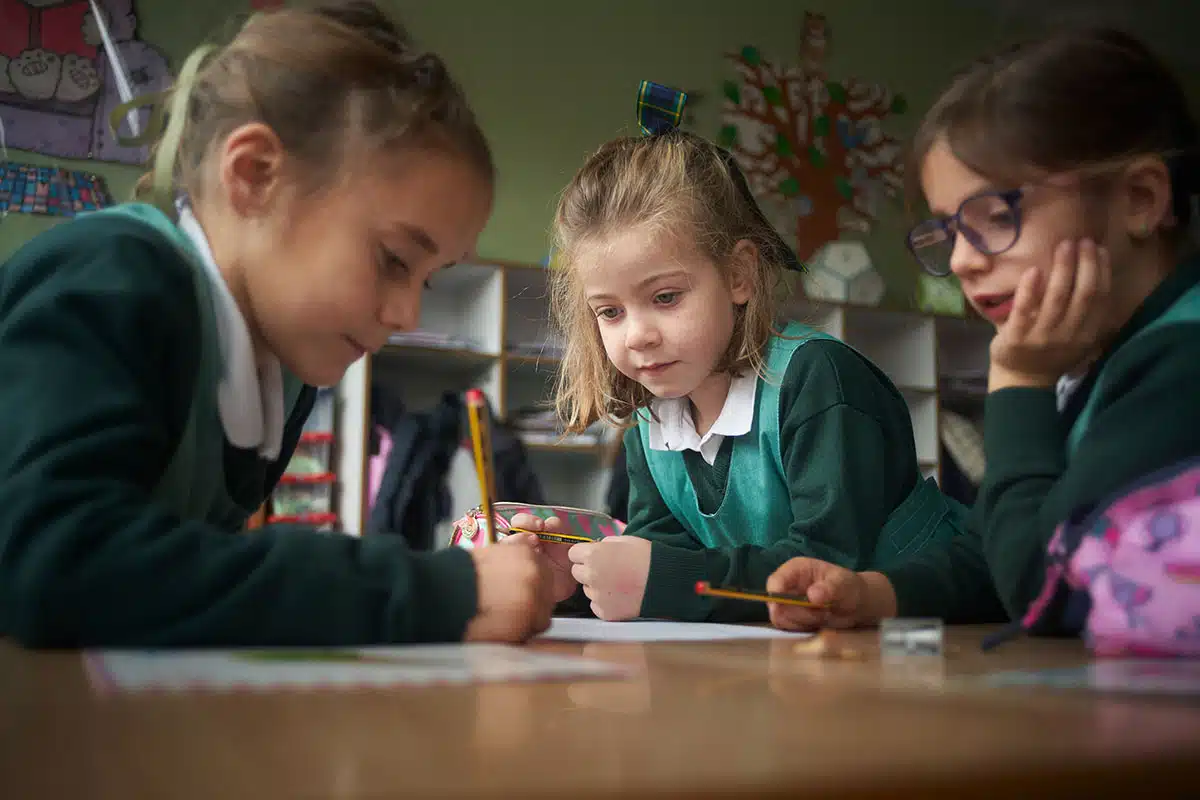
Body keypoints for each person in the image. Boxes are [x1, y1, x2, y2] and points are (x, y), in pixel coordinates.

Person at [0, 1, 554, 647]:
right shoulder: (111, 276)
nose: (406, 314)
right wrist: (436, 591)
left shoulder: (280, 369)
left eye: (426, 280)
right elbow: (53, 563)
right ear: (256, 176)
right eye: (393, 260)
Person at [766, 27, 1200, 632]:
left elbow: (1042, 583)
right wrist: (871, 594)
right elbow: (997, 548)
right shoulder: (1092, 358)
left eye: (997, 217)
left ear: (1140, 199)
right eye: (946, 234)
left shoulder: (1180, 362)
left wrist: (1020, 380)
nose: (965, 261)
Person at [509, 82, 966, 622]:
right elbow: (668, 563)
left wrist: (658, 580)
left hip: (939, 637)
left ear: (739, 275)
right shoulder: (652, 414)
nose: (637, 336)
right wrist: (576, 581)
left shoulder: (818, 379)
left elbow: (822, 569)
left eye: (665, 297)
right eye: (609, 311)